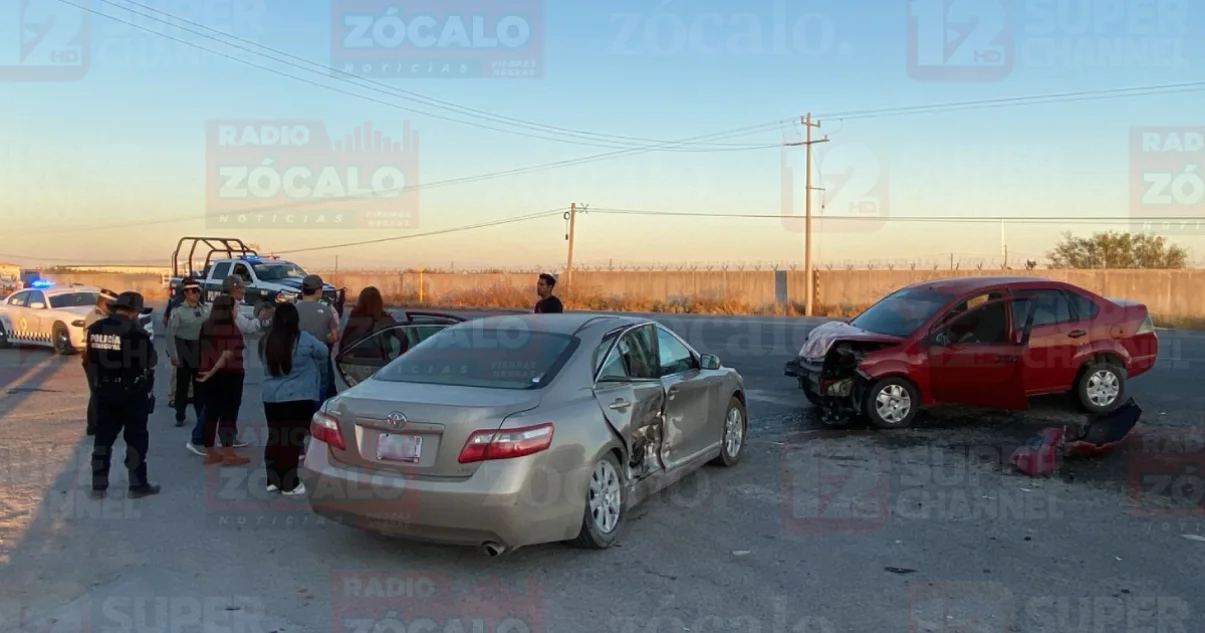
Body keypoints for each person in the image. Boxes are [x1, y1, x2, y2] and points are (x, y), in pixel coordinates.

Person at [185, 276, 272, 457]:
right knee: (220, 407)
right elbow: (244, 331)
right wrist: (260, 318)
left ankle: (225, 438)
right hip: (226, 371)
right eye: (241, 287)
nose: (244, 291)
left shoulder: (215, 315)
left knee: (220, 406)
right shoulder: (229, 315)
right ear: (233, 289)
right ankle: (201, 438)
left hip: (223, 370)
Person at [84, 291, 159, 499]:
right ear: (133, 312)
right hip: (132, 394)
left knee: (102, 440)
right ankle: (137, 485)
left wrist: (97, 387)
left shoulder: (95, 328)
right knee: (135, 440)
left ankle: (98, 486)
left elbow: (89, 361)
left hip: (104, 392)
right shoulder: (137, 333)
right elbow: (151, 361)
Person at [259, 302, 328, 495]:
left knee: (275, 436)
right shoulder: (304, 338)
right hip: (299, 396)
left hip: (272, 396)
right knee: (293, 440)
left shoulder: (266, 340)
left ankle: (273, 479)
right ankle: (289, 484)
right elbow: (323, 352)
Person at [195, 295, 252, 466]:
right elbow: (227, 355)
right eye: (234, 308)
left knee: (211, 413)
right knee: (228, 414)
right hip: (229, 375)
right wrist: (212, 372)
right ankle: (228, 453)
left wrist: (206, 373)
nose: (236, 312)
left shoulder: (206, 325)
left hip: (208, 375)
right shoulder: (231, 329)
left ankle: (210, 452)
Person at [165, 277, 209, 427]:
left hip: (200, 349)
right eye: (193, 291)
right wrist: (173, 355)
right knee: (182, 386)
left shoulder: (204, 309)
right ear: (185, 293)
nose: (196, 294)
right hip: (184, 349)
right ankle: (180, 414)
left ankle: (201, 416)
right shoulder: (178, 312)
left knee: (200, 386)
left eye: (198, 291)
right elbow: (170, 334)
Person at [296, 274, 339, 403]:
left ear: (302, 290)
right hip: (320, 359)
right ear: (319, 291)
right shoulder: (327, 310)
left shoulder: (293, 309)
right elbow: (334, 337)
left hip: (298, 358)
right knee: (322, 392)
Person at [339, 286, 402, 358]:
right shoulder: (386, 319)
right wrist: (400, 359)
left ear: (361, 301)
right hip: (381, 360)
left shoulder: (355, 317)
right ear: (379, 301)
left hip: (357, 360)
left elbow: (343, 343)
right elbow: (404, 339)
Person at [82, 294, 110, 436]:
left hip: (95, 359)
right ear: (103, 303)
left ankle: (95, 425)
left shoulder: (98, 315)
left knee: (98, 392)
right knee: (97, 392)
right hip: (94, 360)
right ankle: (94, 426)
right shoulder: (96, 318)